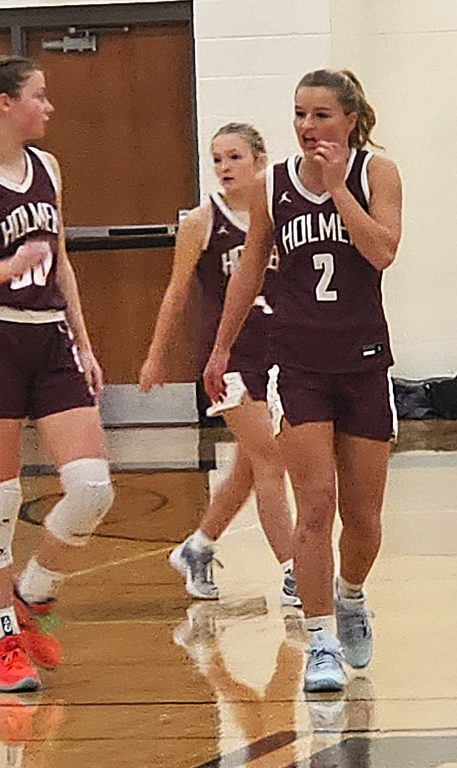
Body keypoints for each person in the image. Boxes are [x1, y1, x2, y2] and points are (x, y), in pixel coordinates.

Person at [203, 69, 402, 692]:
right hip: (299, 363)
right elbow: (249, 268)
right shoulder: (272, 186)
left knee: (364, 518)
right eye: (299, 114)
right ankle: (318, 641)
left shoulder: (377, 173)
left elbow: (383, 251)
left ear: (349, 118)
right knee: (315, 506)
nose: (308, 126)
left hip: (366, 360)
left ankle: (349, 596)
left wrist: (340, 189)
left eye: (320, 115)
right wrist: (221, 348)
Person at [0, 56, 114, 692]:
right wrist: (5, 267)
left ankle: (34, 592)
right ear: (6, 104)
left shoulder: (48, 169)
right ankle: (2, 639)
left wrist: (84, 343)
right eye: (40, 96)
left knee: (92, 489)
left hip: (51, 337)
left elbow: (61, 264)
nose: (49, 107)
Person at [138, 123, 298, 608]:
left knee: (250, 468)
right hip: (225, 358)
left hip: (280, 352)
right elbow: (176, 292)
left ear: (259, 162)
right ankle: (295, 571)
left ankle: (198, 546)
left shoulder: (281, 214)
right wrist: (155, 355)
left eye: (234, 158)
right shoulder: (202, 221)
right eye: (218, 159)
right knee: (272, 459)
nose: (225, 168)